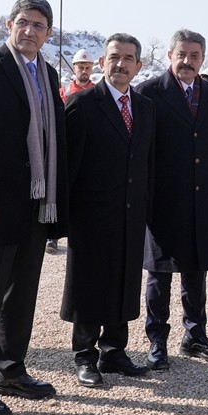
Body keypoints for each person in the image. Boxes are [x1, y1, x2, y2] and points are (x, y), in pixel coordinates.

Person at [0, 0, 68, 415]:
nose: (30, 31)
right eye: (23, 22)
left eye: (39, 25)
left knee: (21, 295)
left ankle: (11, 369)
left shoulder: (48, 72)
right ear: (9, 24)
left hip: (36, 205)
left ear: (48, 32)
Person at [135, 30, 208, 369]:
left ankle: (195, 336)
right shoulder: (149, 93)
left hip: (203, 201)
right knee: (159, 275)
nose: (188, 61)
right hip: (163, 202)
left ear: (202, 58)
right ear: (170, 55)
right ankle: (157, 342)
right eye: (182, 54)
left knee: (195, 272)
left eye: (195, 56)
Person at [61, 34, 155, 387]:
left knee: (124, 281)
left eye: (128, 58)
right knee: (89, 283)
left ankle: (114, 350)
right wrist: (66, 216)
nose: (121, 64)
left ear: (138, 66)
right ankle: (85, 355)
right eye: (114, 57)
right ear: (102, 63)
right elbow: (69, 165)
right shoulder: (82, 104)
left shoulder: (145, 108)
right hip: (91, 213)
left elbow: (149, 160)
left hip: (131, 212)